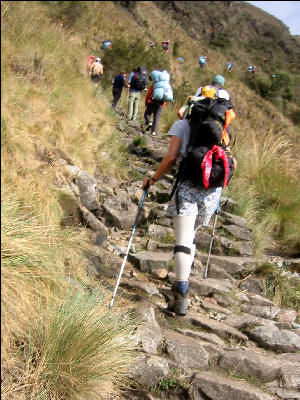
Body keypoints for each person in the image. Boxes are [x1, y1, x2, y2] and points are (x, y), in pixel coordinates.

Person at [142, 96, 237, 317]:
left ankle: (181, 289)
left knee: (182, 241)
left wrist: (153, 179)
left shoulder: (182, 125)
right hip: (212, 191)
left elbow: (170, 158)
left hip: (188, 187)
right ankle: (182, 286)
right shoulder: (223, 129)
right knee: (190, 237)